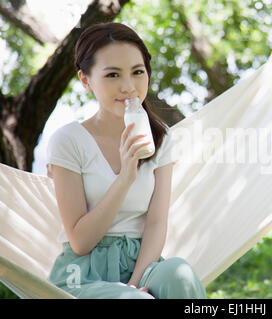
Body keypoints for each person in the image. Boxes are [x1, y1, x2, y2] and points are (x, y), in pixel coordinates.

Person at [45, 22, 206, 299]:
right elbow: (81, 241)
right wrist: (125, 178)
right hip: (81, 276)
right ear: (86, 80)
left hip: (140, 264)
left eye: (137, 72)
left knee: (180, 274)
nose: (128, 87)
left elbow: (156, 223)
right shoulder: (68, 141)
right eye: (112, 75)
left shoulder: (161, 138)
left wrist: (135, 283)